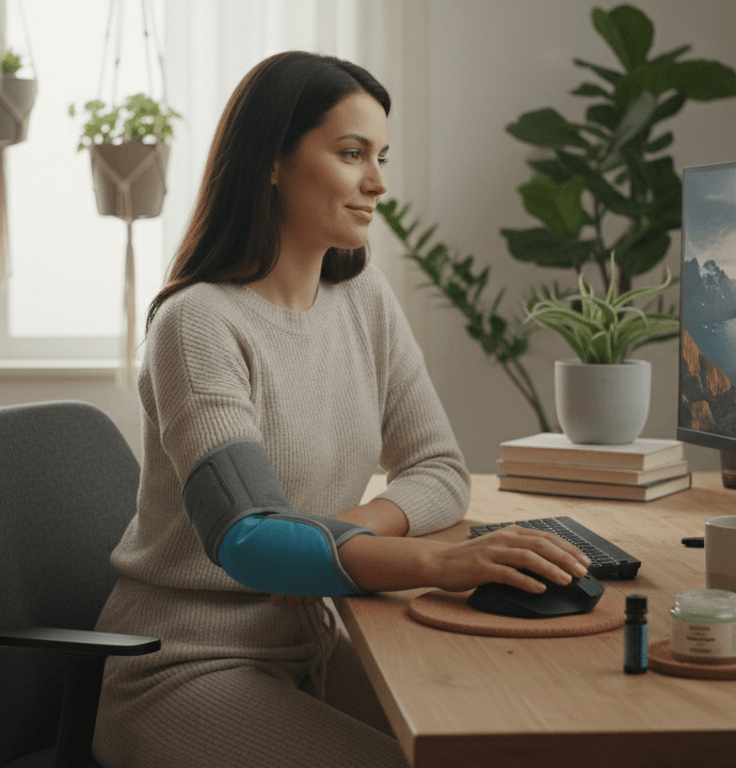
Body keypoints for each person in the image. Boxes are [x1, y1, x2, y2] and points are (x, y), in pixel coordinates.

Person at [92, 50, 592, 768]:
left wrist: (339, 532)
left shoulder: (362, 300)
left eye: (380, 156)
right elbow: (250, 539)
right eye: (351, 153)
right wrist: (444, 562)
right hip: (181, 665)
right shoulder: (197, 324)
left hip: (312, 646)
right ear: (271, 160)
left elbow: (440, 470)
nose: (377, 183)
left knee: (488, 744)